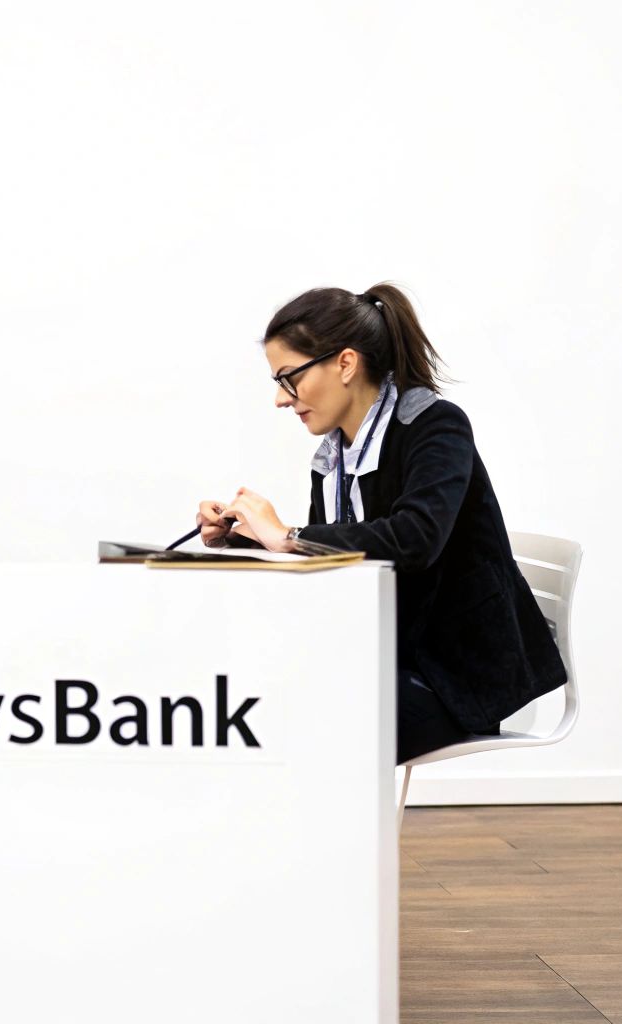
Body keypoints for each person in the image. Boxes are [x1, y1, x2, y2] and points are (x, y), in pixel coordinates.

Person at [195, 283, 564, 765]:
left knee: (296, 727)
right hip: (388, 657)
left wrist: (287, 536)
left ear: (345, 364)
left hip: (454, 678)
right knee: (251, 704)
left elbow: (414, 539)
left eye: (289, 379)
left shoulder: (436, 426)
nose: (282, 400)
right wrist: (243, 537)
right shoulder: (333, 458)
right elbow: (335, 564)